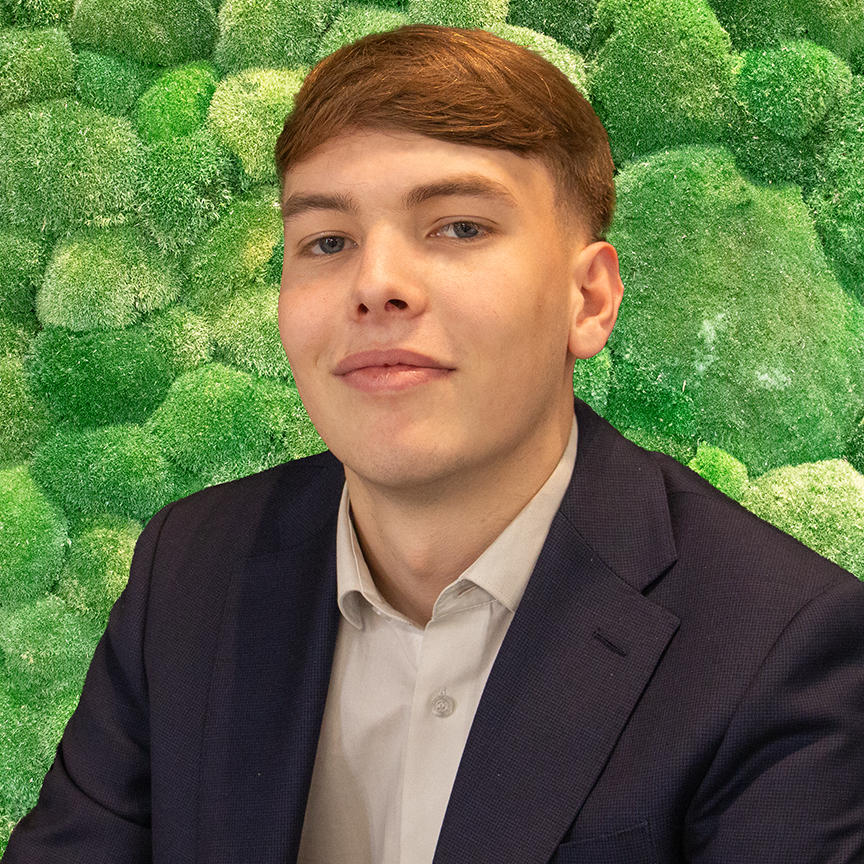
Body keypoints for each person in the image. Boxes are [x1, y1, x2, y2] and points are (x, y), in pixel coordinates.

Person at [5, 24, 864, 864]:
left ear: (590, 301)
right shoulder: (187, 565)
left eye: (458, 227)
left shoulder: (785, 647)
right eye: (327, 242)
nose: (375, 284)